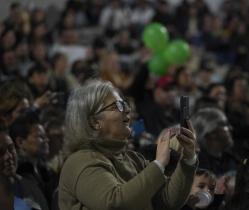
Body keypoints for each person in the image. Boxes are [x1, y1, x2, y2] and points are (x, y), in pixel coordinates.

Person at [58, 80, 198, 210]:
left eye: (124, 104)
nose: (127, 110)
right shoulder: (80, 161)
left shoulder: (133, 159)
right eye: (117, 106)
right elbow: (114, 203)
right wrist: (159, 164)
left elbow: (167, 201)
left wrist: (188, 158)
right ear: (94, 122)